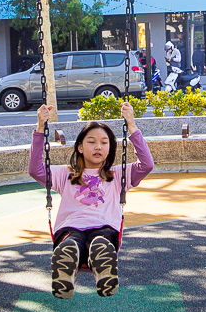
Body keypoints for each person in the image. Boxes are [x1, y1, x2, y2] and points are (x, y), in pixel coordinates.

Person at [28, 101, 154, 300]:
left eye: (104, 142)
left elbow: (147, 164)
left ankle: (102, 266)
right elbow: (36, 170)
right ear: (79, 147)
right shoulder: (65, 174)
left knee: (101, 241)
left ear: (110, 148)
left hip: (104, 228)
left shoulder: (118, 174)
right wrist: (40, 128)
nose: (98, 147)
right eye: (91, 141)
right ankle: (66, 269)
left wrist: (132, 125)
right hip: (71, 229)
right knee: (72, 242)